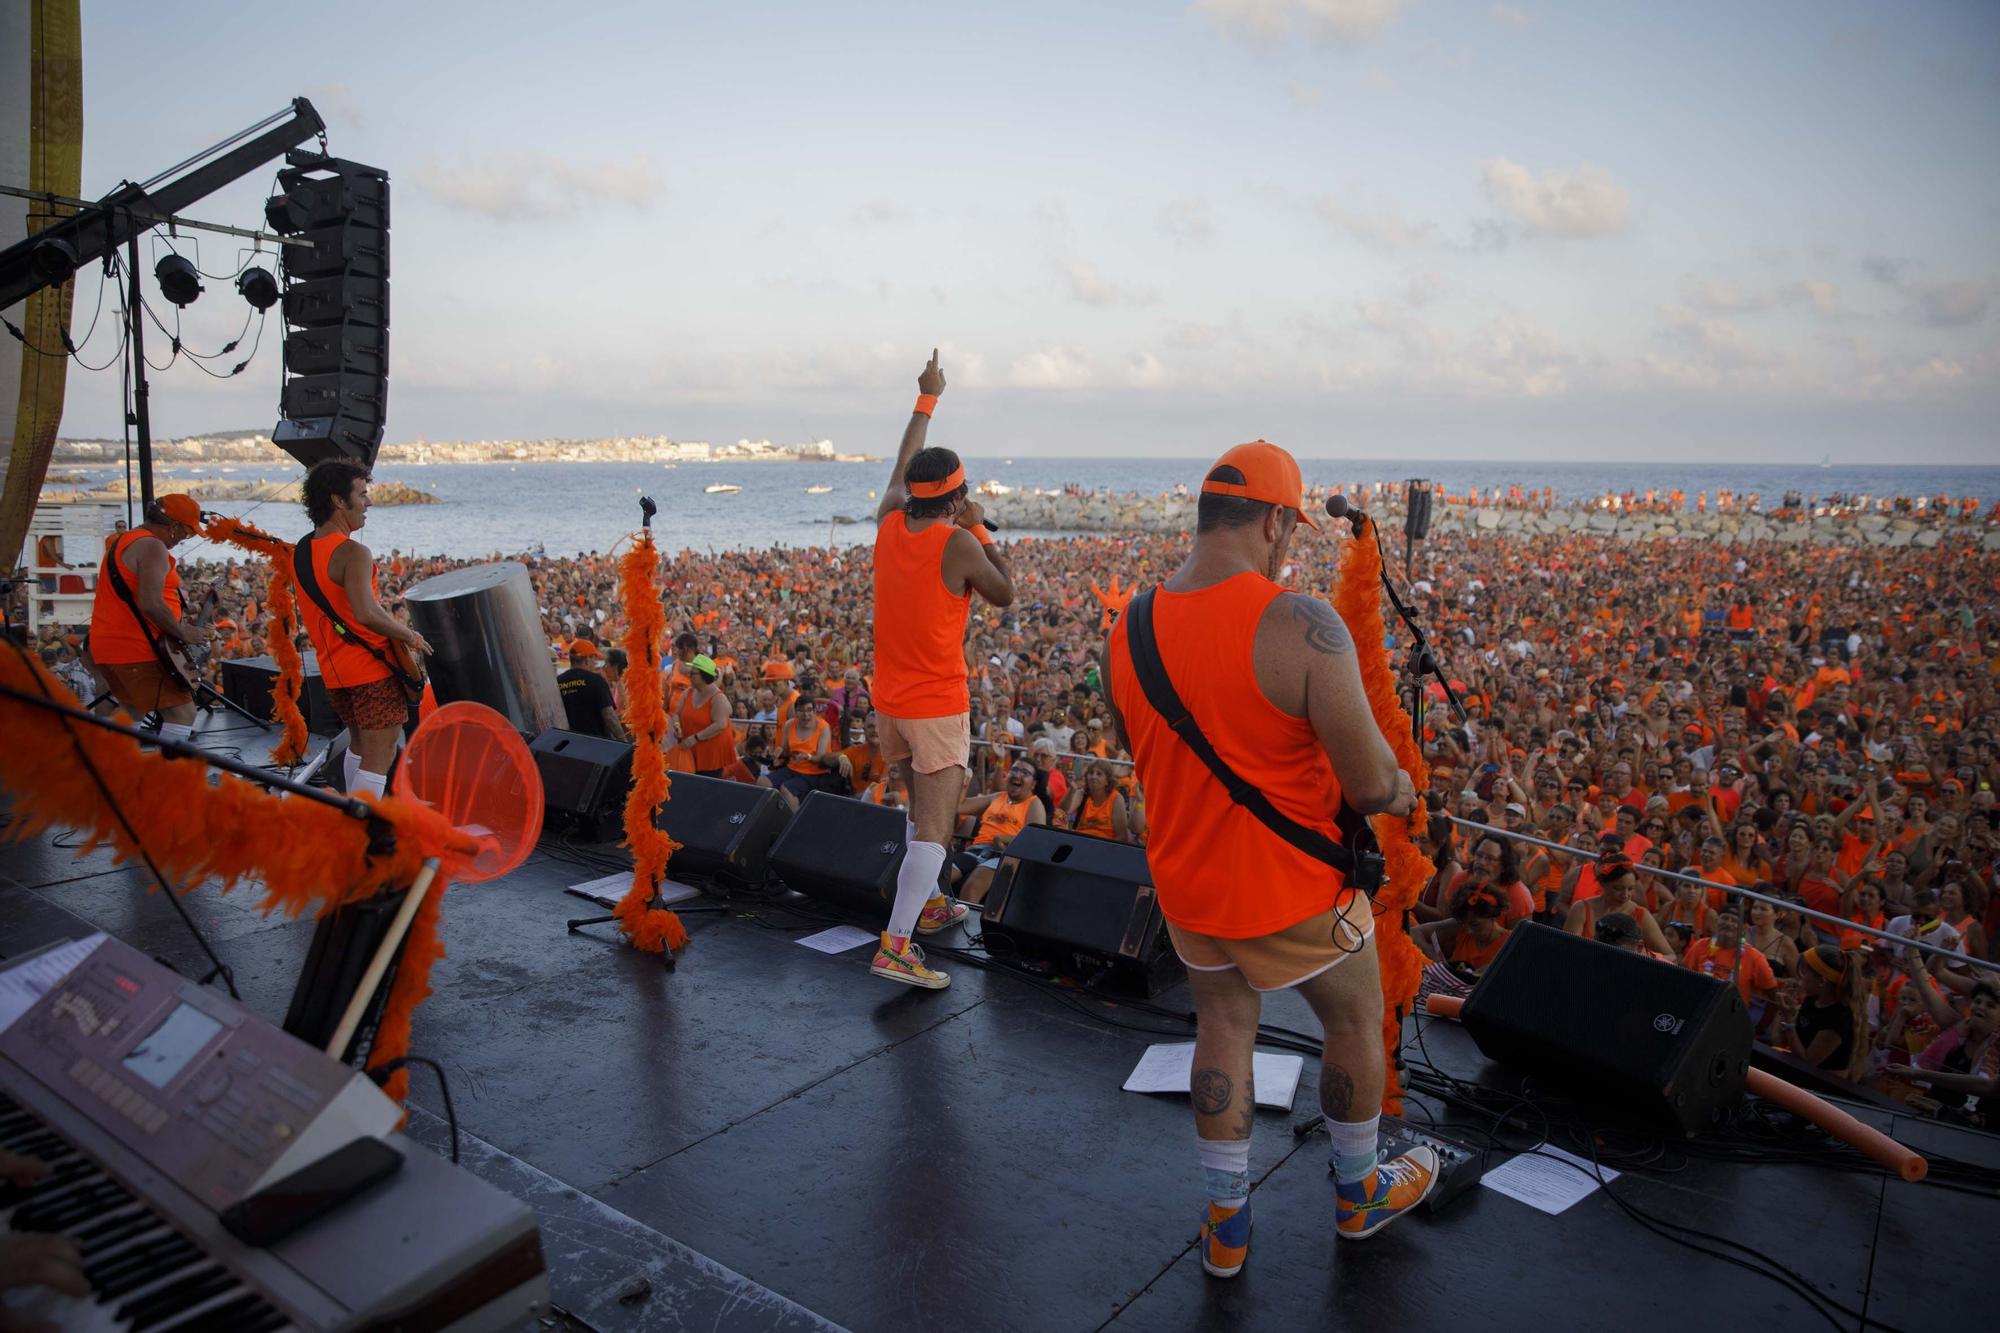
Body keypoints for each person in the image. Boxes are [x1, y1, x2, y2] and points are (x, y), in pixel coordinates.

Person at [1105, 441, 1434, 1280]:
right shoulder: (1302, 623)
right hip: (1294, 894)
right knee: (1356, 1022)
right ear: (1279, 522)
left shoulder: (1129, 622)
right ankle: (1359, 1193)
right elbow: (1367, 782)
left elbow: (1143, 752)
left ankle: (1225, 1226)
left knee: (1222, 1028)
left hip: (1187, 890)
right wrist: (1402, 786)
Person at [868, 350, 1014, 988]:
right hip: (935, 706)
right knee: (935, 823)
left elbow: (902, 466)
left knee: (914, 808)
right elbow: (1005, 592)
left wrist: (926, 398)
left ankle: (925, 904)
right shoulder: (957, 542)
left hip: (889, 703)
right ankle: (896, 945)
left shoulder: (887, 522)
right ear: (956, 499)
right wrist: (979, 530)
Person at [296, 461, 432, 799]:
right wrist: (409, 635)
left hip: (334, 673)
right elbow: (366, 613)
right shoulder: (353, 552)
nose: (368, 502)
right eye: (362, 494)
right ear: (339, 501)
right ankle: (357, 832)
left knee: (358, 746)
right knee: (379, 756)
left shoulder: (301, 549)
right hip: (370, 672)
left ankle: (350, 819)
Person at [85, 493, 212, 745]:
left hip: (108, 646)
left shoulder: (126, 540)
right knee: (182, 713)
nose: (184, 540)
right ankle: (168, 776)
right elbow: (150, 603)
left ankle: (116, 769)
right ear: (172, 526)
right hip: (135, 648)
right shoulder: (152, 546)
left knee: (132, 711)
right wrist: (183, 632)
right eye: (186, 533)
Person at [1772, 944, 1870, 1081]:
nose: (1798, 980)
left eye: (1802, 975)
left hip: (1823, 1086)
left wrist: (1788, 1021)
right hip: (1797, 1073)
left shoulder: (1838, 1018)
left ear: (1822, 981)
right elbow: (1777, 1039)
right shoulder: (1813, 999)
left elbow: (1807, 1063)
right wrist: (1783, 1010)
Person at [952, 761, 1047, 901]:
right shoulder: (997, 797)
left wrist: (1001, 839)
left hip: (1005, 854)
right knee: (941, 876)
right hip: (977, 850)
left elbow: (1035, 840)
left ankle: (963, 923)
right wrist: (964, 783)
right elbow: (959, 807)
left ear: (1033, 784)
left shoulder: (1034, 803)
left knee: (971, 888)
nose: (1017, 775)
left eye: (1025, 773)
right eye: (1014, 770)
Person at [671, 654, 735, 777]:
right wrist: (677, 725)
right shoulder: (688, 692)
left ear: (704, 676)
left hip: (711, 755)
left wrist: (695, 738)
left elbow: (720, 725)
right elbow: (677, 714)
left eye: (693, 673)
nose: (689, 675)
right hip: (691, 751)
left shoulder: (718, 698)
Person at [557, 639, 626, 740]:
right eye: (594, 659)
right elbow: (609, 716)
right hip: (597, 744)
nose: (595, 663)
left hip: (571, 744)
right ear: (586, 659)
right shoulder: (596, 680)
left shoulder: (559, 681)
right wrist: (623, 741)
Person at [1062, 760, 1130, 842]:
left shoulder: (1116, 799)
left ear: (1107, 781)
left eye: (1099, 774)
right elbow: (1064, 811)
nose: (1093, 777)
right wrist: (1072, 790)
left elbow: (1122, 837)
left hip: (1105, 845)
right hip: (1080, 841)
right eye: (1091, 773)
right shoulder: (1082, 794)